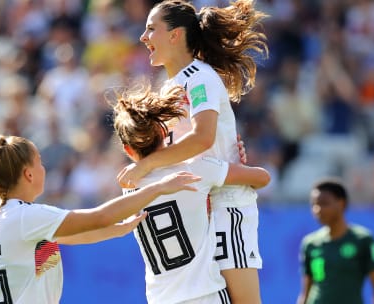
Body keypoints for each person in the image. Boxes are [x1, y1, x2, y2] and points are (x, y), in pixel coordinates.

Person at [117, 1, 268, 302]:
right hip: (199, 202)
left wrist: (146, 166)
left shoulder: (198, 78)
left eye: (151, 29)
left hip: (226, 201)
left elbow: (201, 138)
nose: (143, 37)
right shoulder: (171, 85)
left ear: (175, 35)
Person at [0, 134, 202, 304]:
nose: (44, 168)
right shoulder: (25, 217)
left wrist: (117, 230)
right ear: (28, 174)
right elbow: (100, 216)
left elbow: (72, 235)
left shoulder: (5, 216)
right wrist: (158, 188)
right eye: (39, 161)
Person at [111, 84, 270, 304]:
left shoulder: (129, 186)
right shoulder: (196, 169)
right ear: (163, 132)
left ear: (127, 149)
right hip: (207, 295)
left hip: (161, 298)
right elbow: (262, 178)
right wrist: (229, 159)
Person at [297, 178, 374, 304]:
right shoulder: (310, 243)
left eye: (324, 203)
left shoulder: (363, 240)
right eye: (314, 204)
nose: (317, 209)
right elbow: (305, 292)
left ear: (341, 203)